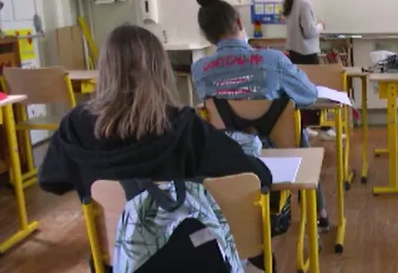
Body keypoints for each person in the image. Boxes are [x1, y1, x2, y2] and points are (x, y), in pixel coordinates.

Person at [37, 24, 272, 200]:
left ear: (105, 69)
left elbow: (51, 181)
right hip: (182, 246)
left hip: (113, 250)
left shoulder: (74, 126)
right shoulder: (184, 126)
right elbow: (256, 176)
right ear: (161, 69)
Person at [192, 0, 331, 231]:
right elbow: (309, 96)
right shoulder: (272, 59)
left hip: (229, 153)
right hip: (282, 152)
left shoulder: (200, 69)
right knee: (294, 127)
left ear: (207, 36)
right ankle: (319, 213)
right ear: (239, 22)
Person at [282, 0, 339, 142]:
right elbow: (309, 32)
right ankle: (325, 128)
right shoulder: (304, 4)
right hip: (307, 53)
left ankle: (304, 127)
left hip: (294, 51)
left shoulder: (291, 0)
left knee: (299, 89)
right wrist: (321, 25)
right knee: (315, 90)